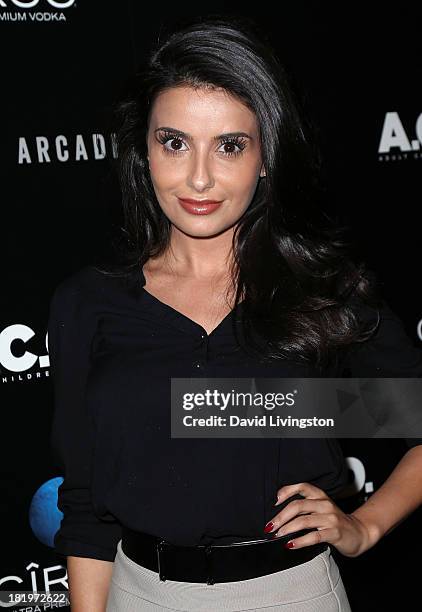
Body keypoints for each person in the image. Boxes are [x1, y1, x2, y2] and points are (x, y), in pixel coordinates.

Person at [47, 16, 422, 612]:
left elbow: (410, 421)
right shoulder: (89, 304)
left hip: (292, 594)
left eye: (229, 145)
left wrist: (365, 526)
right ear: (143, 151)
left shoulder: (320, 292)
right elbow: (87, 507)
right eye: (174, 142)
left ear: (267, 156)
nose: (198, 176)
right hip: (140, 594)